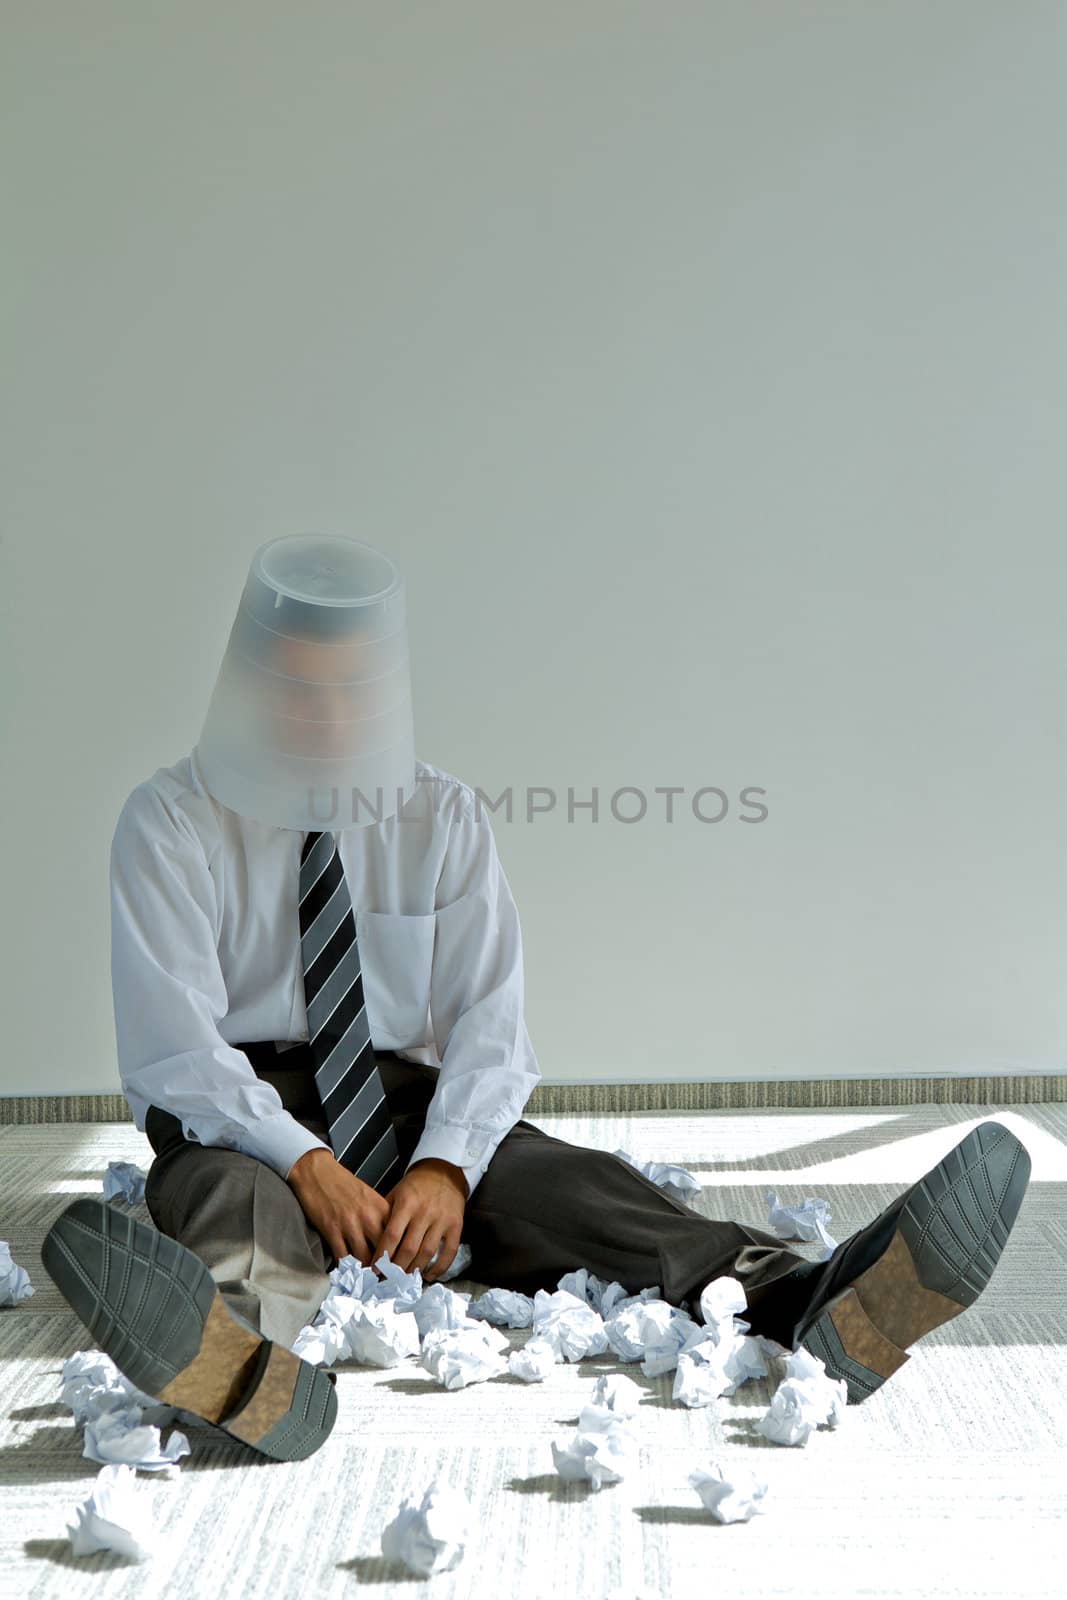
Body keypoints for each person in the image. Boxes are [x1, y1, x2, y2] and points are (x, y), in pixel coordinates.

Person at [42, 535, 1032, 1463]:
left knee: (570, 1191)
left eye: (347, 691)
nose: (321, 715)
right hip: (244, 1121)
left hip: (408, 1107)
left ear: (383, 693)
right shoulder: (168, 821)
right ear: (246, 689)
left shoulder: (442, 815)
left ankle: (810, 1298)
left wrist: (442, 1166)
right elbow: (172, 1045)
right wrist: (302, 1161)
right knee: (235, 1212)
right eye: (295, 688)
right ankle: (242, 1370)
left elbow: (488, 1021)